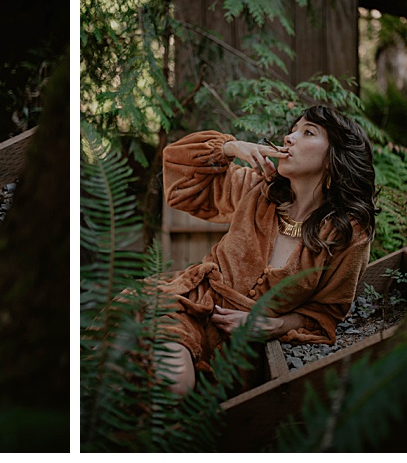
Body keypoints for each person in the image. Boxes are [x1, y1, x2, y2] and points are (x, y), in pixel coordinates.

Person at [156, 106, 376, 395]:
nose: (288, 138)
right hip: (187, 308)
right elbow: (177, 176)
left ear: (334, 159)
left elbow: (325, 313)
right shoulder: (258, 189)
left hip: (237, 356)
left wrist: (273, 325)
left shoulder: (347, 233)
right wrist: (230, 147)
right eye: (293, 130)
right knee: (173, 383)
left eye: (307, 132)